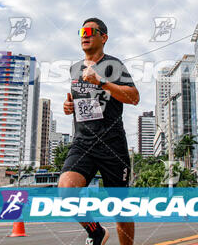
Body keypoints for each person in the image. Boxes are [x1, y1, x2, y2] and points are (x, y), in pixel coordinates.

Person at [58, 17, 139, 245]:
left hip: (112, 145)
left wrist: (102, 82)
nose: (84, 35)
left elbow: (134, 98)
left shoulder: (114, 65)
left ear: (103, 37)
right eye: (81, 31)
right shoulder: (75, 68)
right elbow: (81, 101)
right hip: (83, 142)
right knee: (66, 190)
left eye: (90, 31)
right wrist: (68, 107)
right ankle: (96, 232)